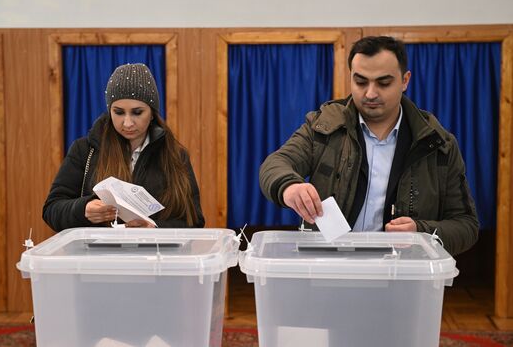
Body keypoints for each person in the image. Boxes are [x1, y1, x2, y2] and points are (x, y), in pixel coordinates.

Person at [259, 36, 479, 255]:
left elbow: (466, 225)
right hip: (327, 269)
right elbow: (276, 164)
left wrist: (420, 232)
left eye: (384, 83)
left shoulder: (438, 143)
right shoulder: (323, 126)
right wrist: (290, 187)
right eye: (361, 82)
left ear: (405, 80)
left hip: (401, 277)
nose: (371, 93)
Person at [43, 63, 205, 231]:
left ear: (152, 114)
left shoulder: (175, 155)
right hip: (99, 256)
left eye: (137, 112)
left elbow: (194, 222)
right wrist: (82, 209)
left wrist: (154, 229)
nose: (127, 123)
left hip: (155, 256)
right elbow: (51, 210)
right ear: (109, 111)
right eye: (118, 112)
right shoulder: (84, 150)